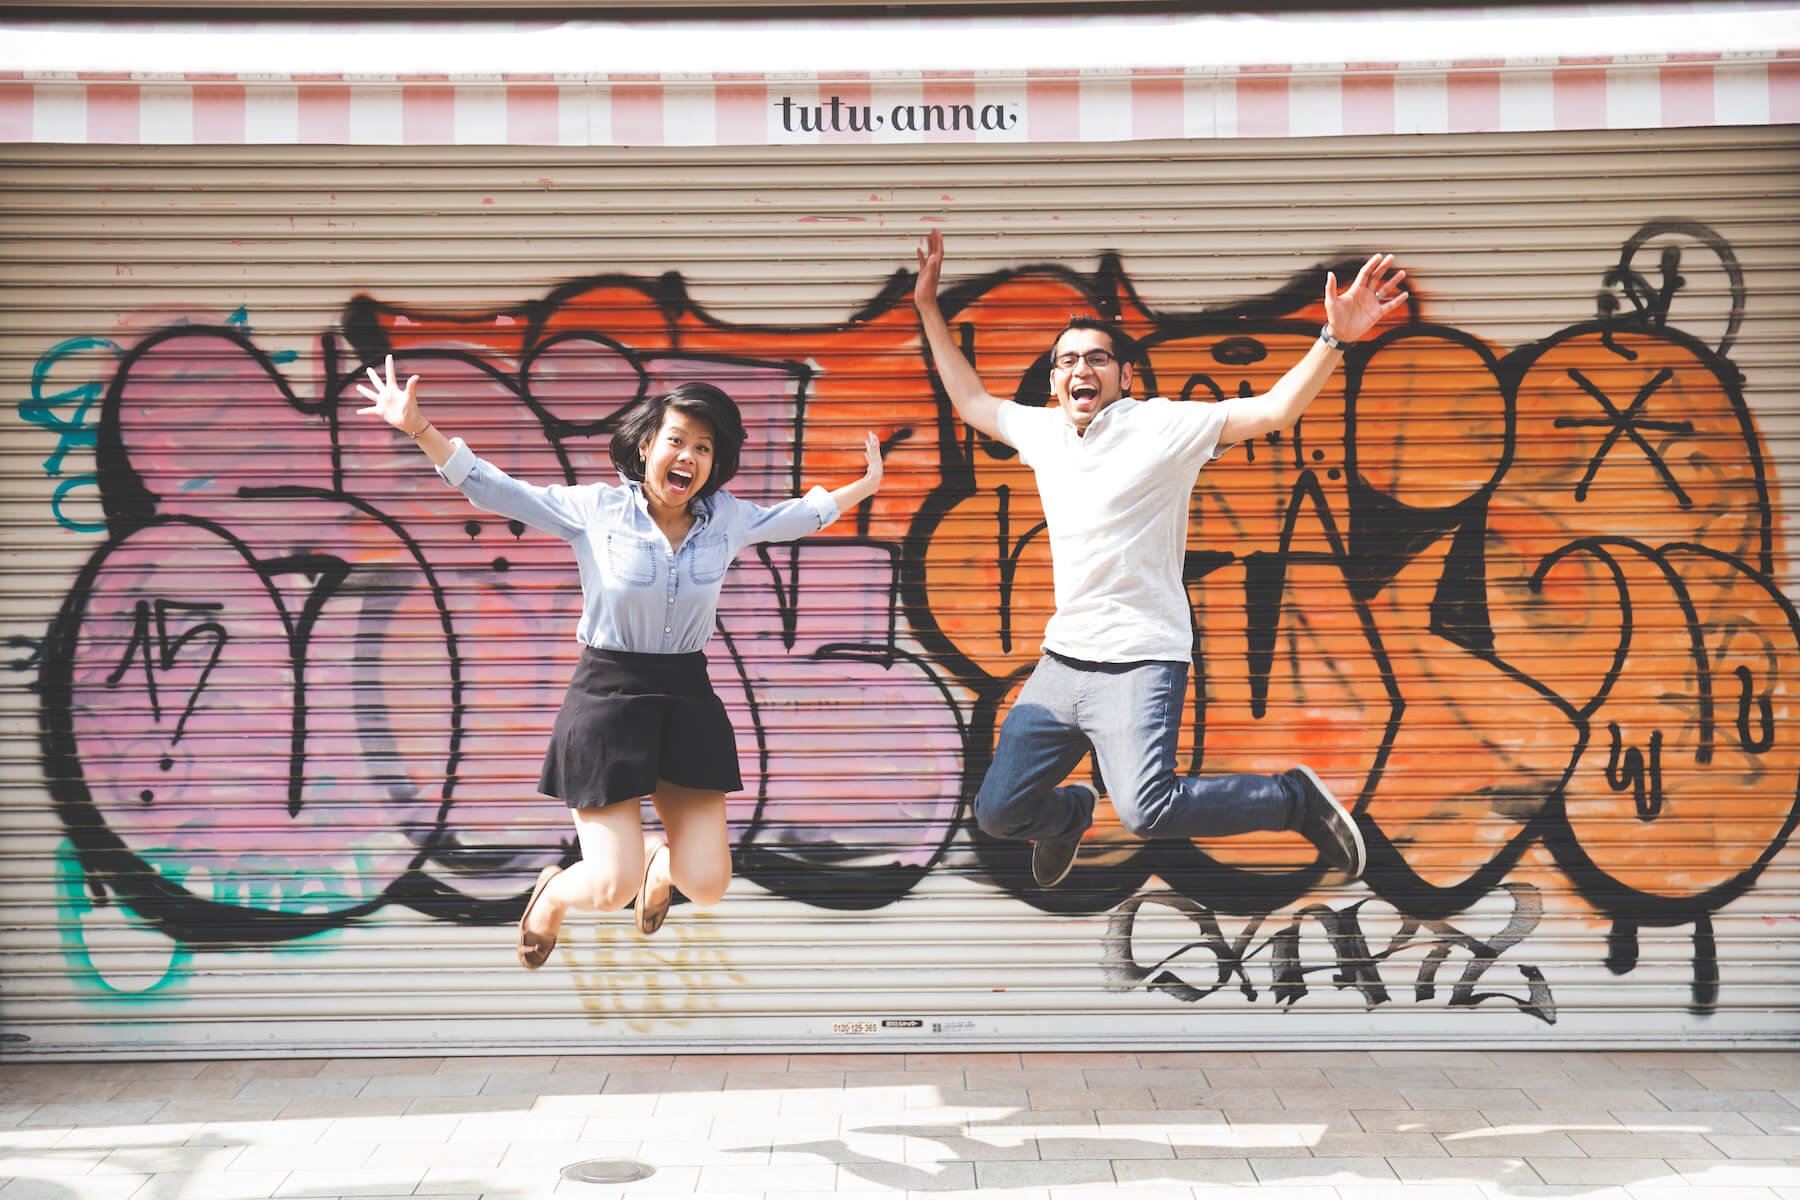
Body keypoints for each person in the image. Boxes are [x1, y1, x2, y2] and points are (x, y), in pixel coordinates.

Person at [912, 229, 1408, 888]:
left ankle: (1294, 798)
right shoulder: (1044, 431)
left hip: (1141, 659)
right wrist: (925, 306)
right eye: (1066, 361)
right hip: (1063, 664)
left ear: (1123, 374)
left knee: (1148, 809)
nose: (1080, 369)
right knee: (998, 813)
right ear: (1055, 379)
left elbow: (1275, 411)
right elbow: (971, 401)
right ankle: (1067, 817)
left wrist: (1334, 338)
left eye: (1096, 358)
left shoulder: (1161, 427)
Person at [356, 358, 884, 966]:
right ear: (645, 445)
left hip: (686, 698)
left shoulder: (728, 519)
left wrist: (861, 488)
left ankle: (663, 859)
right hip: (609, 696)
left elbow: (797, 517)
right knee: (611, 888)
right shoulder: (596, 510)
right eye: (676, 440)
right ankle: (553, 893)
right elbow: (496, 487)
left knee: (708, 885)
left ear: (715, 464)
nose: (688, 456)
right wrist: (421, 428)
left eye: (704, 448)